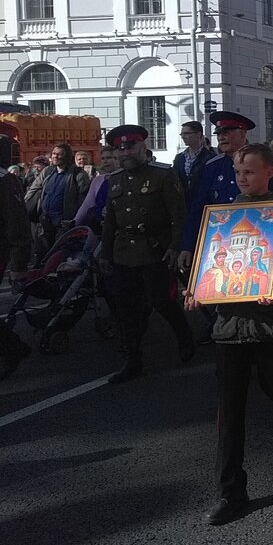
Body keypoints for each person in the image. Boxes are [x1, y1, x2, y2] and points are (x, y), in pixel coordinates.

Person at [184, 142, 273, 526]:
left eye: (249, 171)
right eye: (238, 172)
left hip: (272, 323)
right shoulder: (222, 217)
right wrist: (197, 288)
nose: (242, 178)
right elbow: (212, 264)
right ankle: (231, 492)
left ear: (268, 173)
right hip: (229, 326)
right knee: (229, 411)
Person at [100, 126, 192, 384]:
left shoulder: (162, 174)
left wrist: (175, 247)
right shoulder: (115, 179)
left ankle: (183, 334)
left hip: (154, 251)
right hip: (123, 252)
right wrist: (105, 254)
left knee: (161, 301)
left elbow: (178, 215)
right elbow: (110, 222)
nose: (125, 152)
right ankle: (132, 359)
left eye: (130, 147)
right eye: (120, 148)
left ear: (143, 146)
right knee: (125, 307)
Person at [178, 112, 273, 274]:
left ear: (242, 134)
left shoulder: (263, 161)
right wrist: (188, 245)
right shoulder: (212, 166)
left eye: (226, 133)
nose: (221, 138)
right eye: (219, 134)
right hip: (225, 247)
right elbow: (199, 207)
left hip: (260, 240)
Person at [0, 135, 33, 379]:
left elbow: (17, 225)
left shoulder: (6, 181)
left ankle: (13, 347)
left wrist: (19, 263)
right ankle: (13, 347)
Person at [24, 142, 91, 252]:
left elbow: (83, 198)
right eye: (54, 153)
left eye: (59, 154)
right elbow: (34, 188)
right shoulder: (48, 171)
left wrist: (75, 219)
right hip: (45, 220)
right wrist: (24, 204)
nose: (55, 156)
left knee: (59, 252)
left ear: (67, 156)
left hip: (64, 222)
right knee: (43, 250)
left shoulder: (78, 174)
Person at [173, 121, 216, 203]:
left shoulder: (210, 157)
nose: (183, 137)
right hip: (183, 204)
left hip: (203, 203)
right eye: (182, 134)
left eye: (187, 133)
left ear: (198, 134)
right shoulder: (179, 158)